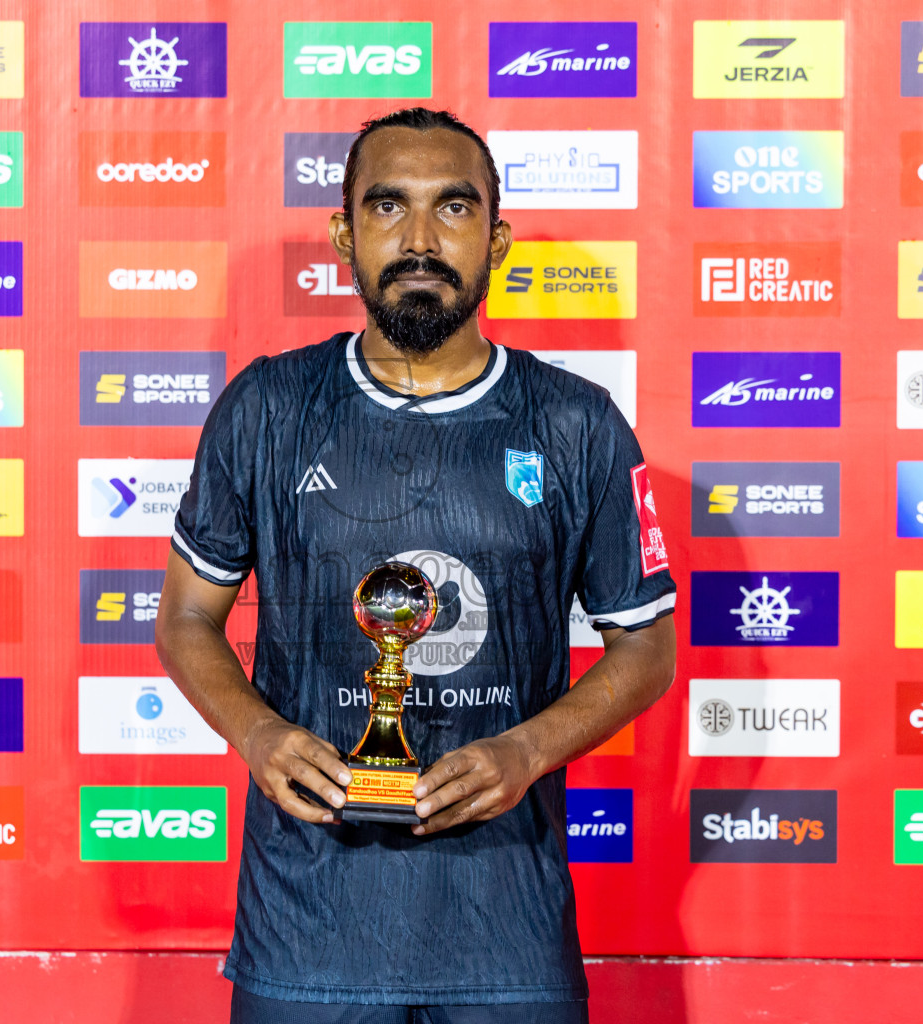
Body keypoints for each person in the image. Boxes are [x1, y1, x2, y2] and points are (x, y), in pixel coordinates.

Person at [155, 107, 677, 1024]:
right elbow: (186, 618)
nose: (421, 239)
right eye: (389, 206)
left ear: (497, 238)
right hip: (307, 927)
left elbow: (647, 649)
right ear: (345, 231)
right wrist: (257, 735)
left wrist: (527, 750)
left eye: (455, 209)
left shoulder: (577, 423)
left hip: (505, 926)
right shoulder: (267, 407)